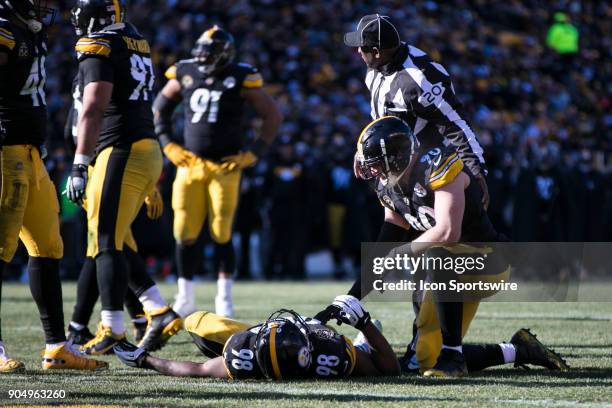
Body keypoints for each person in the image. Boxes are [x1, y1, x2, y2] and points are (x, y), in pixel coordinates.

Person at [318, 117, 568, 377]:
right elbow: (383, 252)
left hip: (486, 261)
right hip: (447, 271)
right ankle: (520, 350)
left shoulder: (436, 165)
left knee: (437, 253)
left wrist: (401, 253)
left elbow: (448, 232)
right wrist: (348, 300)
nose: (375, 174)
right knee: (426, 358)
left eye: (378, 165)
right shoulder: (392, 188)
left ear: (396, 158)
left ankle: (453, 355)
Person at [66, 0, 177, 355]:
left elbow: (95, 106)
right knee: (113, 239)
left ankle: (112, 325)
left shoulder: (100, 45)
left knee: (105, 241)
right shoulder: (135, 41)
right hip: (139, 150)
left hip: (120, 149)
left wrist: (80, 162)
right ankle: (155, 310)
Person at [0, 0, 105, 372]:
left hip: (30, 154)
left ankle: (56, 348)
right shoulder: (4, 27)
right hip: (4, 150)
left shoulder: (28, 27)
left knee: (48, 245)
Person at [153, 26, 282, 317]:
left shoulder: (241, 75)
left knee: (221, 231)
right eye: (199, 52)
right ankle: (185, 295)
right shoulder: (184, 70)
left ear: (224, 55)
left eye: (208, 54)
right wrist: (167, 144)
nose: (201, 59)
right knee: (183, 230)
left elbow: (272, 114)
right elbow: (159, 107)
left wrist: (255, 152)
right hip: (190, 163)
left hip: (225, 166)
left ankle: (224, 297)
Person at [343, 14, 489, 208]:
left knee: (449, 234)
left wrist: (476, 168)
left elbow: (454, 123)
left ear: (377, 51)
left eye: (363, 47)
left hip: (427, 171)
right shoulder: (377, 65)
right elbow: (380, 119)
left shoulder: (419, 80)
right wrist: (363, 150)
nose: (359, 51)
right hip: (395, 171)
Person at [113, 298, 400, 379]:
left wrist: (145, 359)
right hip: (304, 346)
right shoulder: (331, 354)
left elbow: (196, 369)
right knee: (365, 354)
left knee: (196, 322)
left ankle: (365, 336)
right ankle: (365, 336)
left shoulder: (244, 355)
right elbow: (390, 369)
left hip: (259, 340)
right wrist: (363, 322)